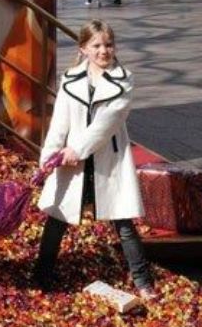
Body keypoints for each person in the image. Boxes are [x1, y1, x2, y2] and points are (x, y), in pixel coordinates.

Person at [33, 20, 155, 299]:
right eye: (97, 45)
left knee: (123, 223)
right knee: (56, 219)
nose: (104, 51)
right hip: (70, 163)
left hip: (107, 160)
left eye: (108, 45)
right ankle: (40, 276)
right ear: (83, 49)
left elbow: (109, 121)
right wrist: (48, 158)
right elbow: (59, 122)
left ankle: (142, 281)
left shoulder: (124, 78)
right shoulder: (70, 79)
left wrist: (77, 149)